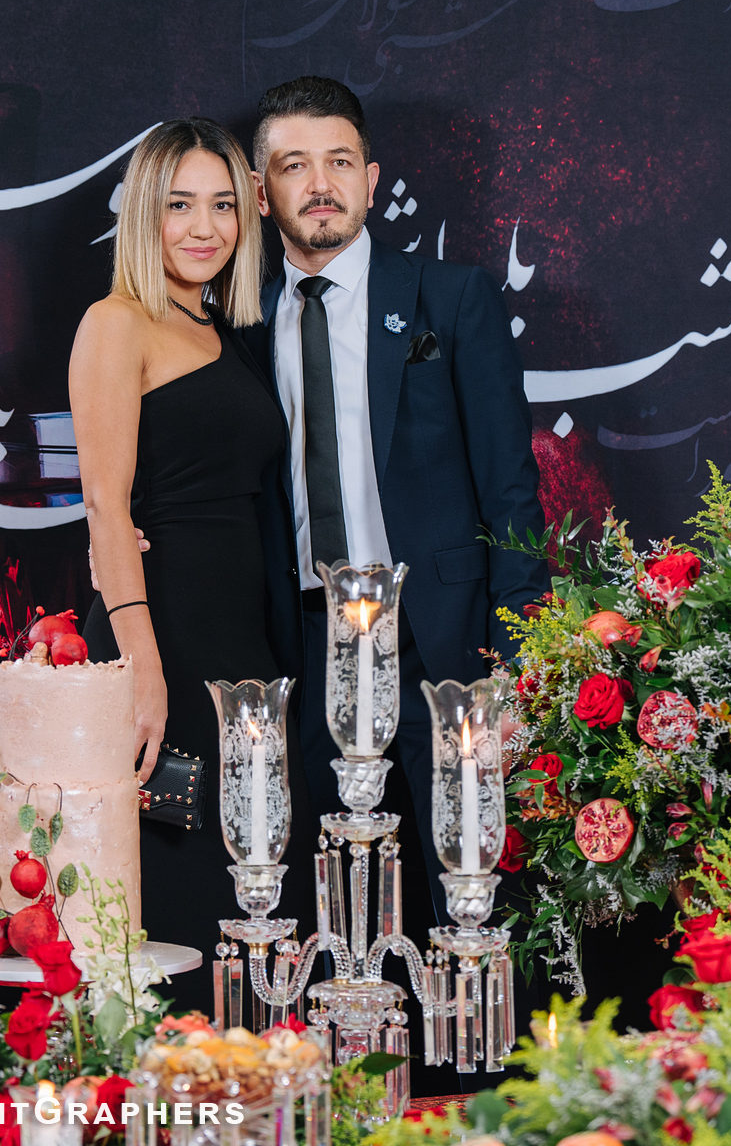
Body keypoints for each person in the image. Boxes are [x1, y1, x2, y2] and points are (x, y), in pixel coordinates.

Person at [242, 76, 546, 932]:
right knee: (324, 909)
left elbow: (511, 488)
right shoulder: (238, 323)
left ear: (372, 181)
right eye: (295, 166)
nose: (321, 185)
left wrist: (522, 656)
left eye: (340, 162)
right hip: (304, 646)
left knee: (468, 903)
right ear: (262, 194)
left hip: (440, 642)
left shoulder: (452, 298)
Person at [71, 117, 285, 1010]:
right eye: (180, 205)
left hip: (242, 646)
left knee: (248, 900)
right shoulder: (116, 323)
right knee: (174, 907)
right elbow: (106, 507)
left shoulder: (224, 331)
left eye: (224, 206)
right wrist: (143, 670)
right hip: (164, 639)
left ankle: (239, 1074)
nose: (204, 227)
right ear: (144, 214)